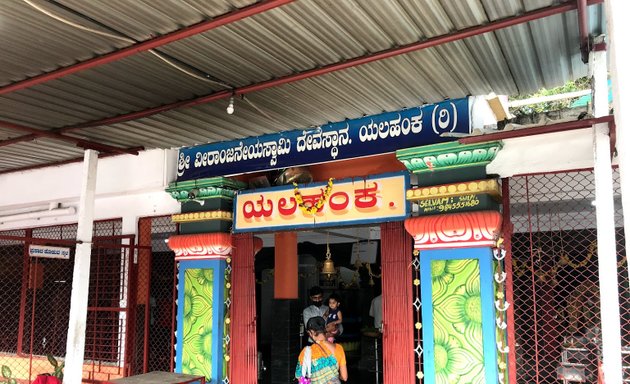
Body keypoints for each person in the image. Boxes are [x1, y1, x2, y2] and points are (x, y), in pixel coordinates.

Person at [295, 316, 348, 384]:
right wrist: (334, 377)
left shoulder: (305, 352)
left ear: (312, 332)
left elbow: (299, 377)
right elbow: (344, 377)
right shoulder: (339, 348)